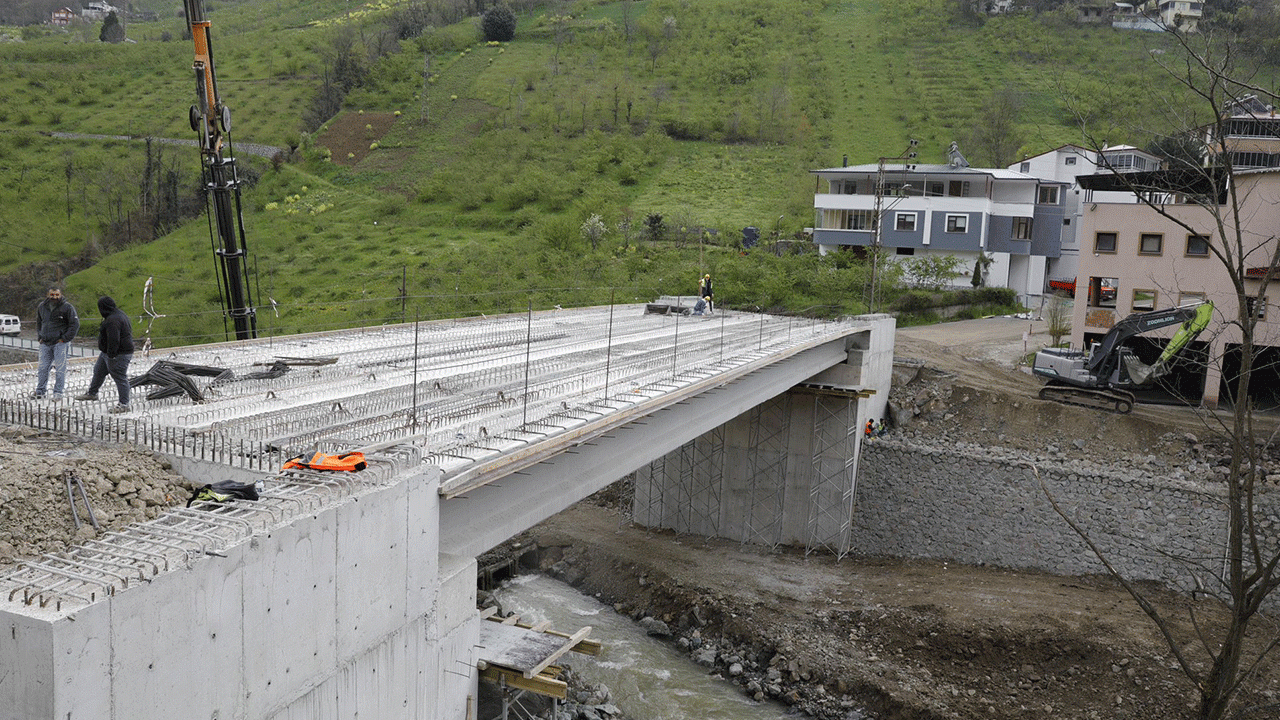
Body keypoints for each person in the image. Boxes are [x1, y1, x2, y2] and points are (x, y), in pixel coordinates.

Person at [75, 296, 134, 413]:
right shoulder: (117, 314)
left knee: (120, 377)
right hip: (106, 353)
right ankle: (92, 393)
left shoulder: (113, 320)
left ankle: (124, 404)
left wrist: (112, 355)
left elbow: (114, 339)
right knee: (98, 371)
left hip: (118, 353)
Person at [33, 286, 79, 400]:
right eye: (52, 295)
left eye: (56, 295)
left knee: (60, 368)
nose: (54, 297)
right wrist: (40, 336)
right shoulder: (42, 307)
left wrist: (64, 338)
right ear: (48, 295)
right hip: (45, 343)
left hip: (60, 343)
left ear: (60, 295)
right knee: (42, 368)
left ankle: (58, 392)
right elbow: (39, 322)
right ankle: (40, 391)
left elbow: (75, 324)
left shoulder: (67, 307)